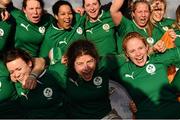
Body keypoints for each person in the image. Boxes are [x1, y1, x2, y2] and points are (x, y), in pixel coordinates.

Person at [48, 39, 127, 119]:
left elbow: (127, 56)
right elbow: (40, 63)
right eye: (80, 63)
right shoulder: (62, 72)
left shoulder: (104, 64)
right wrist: (34, 75)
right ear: (71, 64)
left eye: (90, 61)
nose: (86, 68)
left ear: (96, 60)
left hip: (106, 116)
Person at [115, 32, 180, 118]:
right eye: (132, 51)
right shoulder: (123, 71)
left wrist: (177, 39)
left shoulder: (159, 59)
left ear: (147, 47)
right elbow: (99, 66)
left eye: (140, 48)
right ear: (127, 54)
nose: (138, 54)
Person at [1, 0, 54, 89]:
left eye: (38, 8)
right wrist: (1, 10)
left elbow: (61, 20)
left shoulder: (48, 19)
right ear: (24, 10)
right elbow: (5, 2)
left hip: (34, 62)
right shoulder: (16, 15)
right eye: (31, 8)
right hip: (14, 61)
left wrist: (75, 12)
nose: (35, 12)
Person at [4, 48, 67, 118]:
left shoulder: (51, 75)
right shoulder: (15, 83)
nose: (17, 75)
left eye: (19, 69)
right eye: (12, 72)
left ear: (29, 63)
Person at [39, 0, 86, 65]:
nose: (67, 17)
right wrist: (57, 62)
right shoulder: (50, 36)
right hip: (66, 70)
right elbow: (42, 60)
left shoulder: (78, 18)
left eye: (70, 13)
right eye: (63, 14)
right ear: (56, 16)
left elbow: (93, 12)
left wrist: (84, 9)